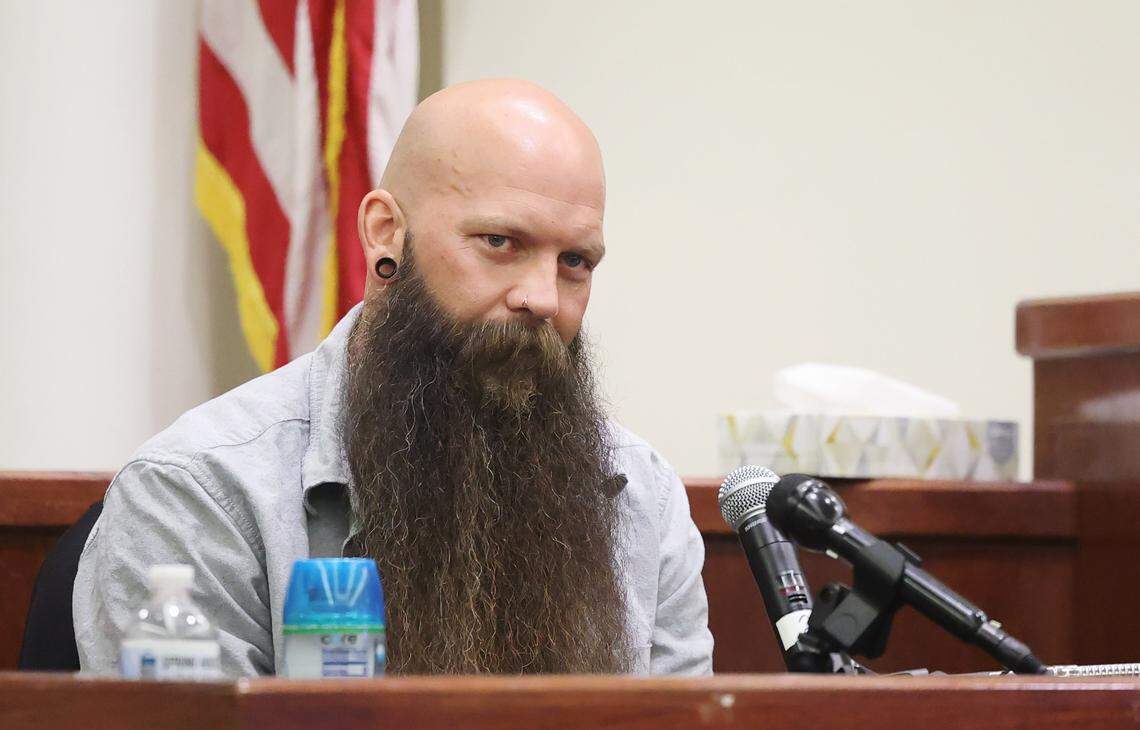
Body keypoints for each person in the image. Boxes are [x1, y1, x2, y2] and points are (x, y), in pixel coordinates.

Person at [74, 79, 714, 676]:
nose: (543, 297)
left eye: (575, 261)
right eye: (500, 242)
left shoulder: (640, 498)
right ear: (386, 234)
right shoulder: (198, 490)